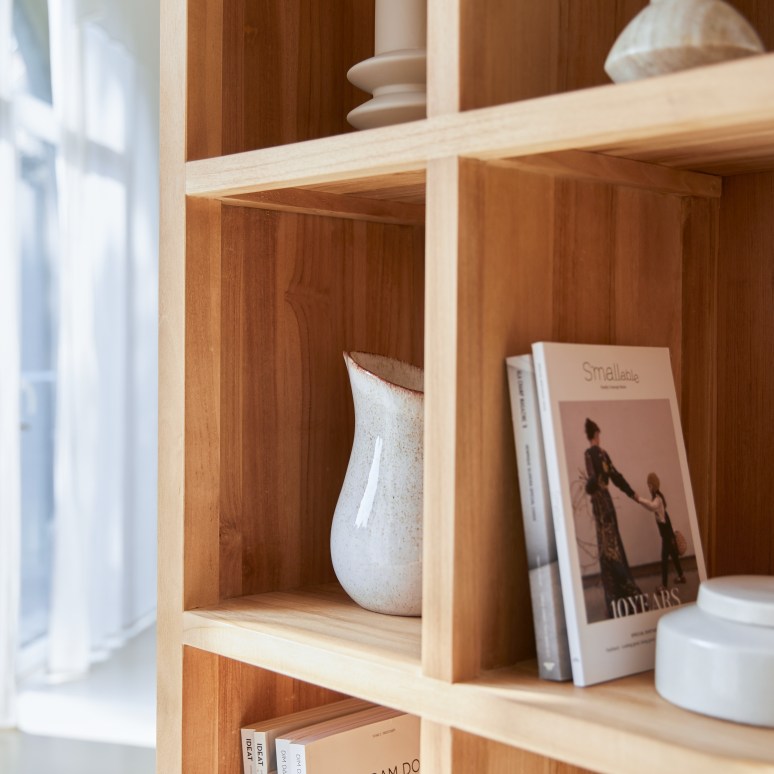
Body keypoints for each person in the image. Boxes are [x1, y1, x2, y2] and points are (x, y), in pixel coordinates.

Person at [583, 418, 643, 617]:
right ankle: (630, 597)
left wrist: (588, 486)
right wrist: (631, 493)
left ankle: (615, 601)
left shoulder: (589, 454)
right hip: (607, 502)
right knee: (615, 545)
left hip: (600, 505)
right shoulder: (603, 454)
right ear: (596, 434)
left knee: (606, 550)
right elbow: (616, 476)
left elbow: (592, 480)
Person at [635, 472, 686, 593]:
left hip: (666, 535)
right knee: (673, 555)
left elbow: (651, 506)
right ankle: (681, 576)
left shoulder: (658, 499)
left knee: (664, 559)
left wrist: (638, 499)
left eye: (649, 485)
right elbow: (660, 513)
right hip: (668, 533)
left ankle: (664, 586)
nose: (648, 487)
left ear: (653, 485)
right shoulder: (658, 497)